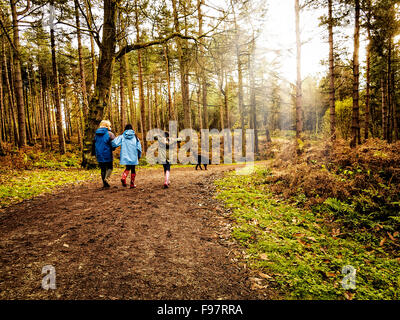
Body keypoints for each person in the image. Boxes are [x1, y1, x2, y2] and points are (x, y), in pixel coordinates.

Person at [112, 124, 142, 188]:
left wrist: (111, 146)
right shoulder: (136, 137)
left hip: (125, 155)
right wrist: (139, 155)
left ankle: (124, 177)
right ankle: (132, 184)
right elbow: (139, 148)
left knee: (128, 167)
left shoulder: (122, 136)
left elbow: (114, 143)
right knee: (133, 169)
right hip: (134, 155)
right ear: (132, 129)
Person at [92, 120, 115, 188]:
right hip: (107, 153)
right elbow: (114, 143)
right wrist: (113, 148)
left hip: (99, 154)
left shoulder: (96, 134)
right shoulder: (110, 134)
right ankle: (106, 178)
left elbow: (93, 144)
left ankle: (105, 185)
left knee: (103, 169)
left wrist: (94, 153)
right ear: (108, 126)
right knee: (110, 167)